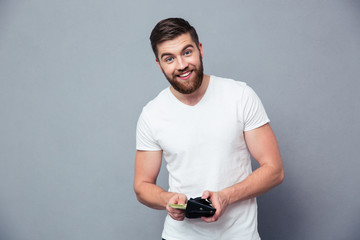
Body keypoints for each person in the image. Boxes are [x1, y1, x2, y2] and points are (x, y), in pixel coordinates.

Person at [134, 17, 284, 240]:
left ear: (200, 49)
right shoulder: (152, 114)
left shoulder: (240, 96)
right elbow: (142, 185)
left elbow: (275, 170)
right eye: (169, 58)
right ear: (159, 64)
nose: (182, 65)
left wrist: (226, 196)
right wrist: (167, 199)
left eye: (187, 52)